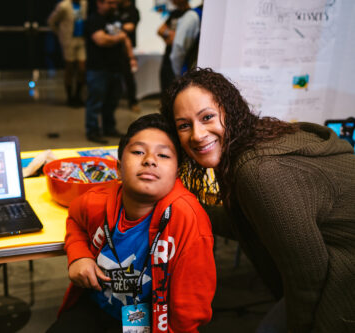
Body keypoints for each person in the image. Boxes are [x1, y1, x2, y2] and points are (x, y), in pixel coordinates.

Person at [160, 67, 355, 333]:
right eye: (184, 125)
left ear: (230, 110)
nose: (197, 134)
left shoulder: (258, 171)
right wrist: (186, 206)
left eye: (207, 117)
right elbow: (249, 219)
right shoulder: (257, 136)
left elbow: (308, 275)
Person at [47, 113, 216, 332]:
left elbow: (190, 310)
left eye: (163, 155)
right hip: (95, 309)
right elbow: (75, 220)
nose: (149, 160)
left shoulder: (188, 220)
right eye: (138, 152)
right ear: (118, 168)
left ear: (177, 173)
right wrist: (79, 254)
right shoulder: (97, 201)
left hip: (156, 325)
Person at [84, 0, 137, 144]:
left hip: (116, 68)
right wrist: (119, 37)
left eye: (114, 3)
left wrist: (131, 57)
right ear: (99, 3)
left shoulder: (115, 19)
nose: (114, 6)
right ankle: (93, 131)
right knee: (95, 102)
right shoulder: (94, 20)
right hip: (98, 69)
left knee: (112, 101)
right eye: (110, 3)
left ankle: (109, 128)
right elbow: (101, 40)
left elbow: (125, 40)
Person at [48, 0, 88, 107]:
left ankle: (78, 95)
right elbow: (52, 21)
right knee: (69, 68)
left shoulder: (84, 3)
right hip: (69, 41)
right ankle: (70, 97)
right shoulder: (64, 6)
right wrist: (60, 34)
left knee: (82, 69)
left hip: (81, 39)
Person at [157, 0, 188, 93]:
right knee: (165, 82)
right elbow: (160, 30)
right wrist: (169, 34)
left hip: (181, 57)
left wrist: (173, 36)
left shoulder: (190, 14)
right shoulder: (175, 13)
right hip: (169, 54)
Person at [118, 0, 141, 112]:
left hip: (127, 49)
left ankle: (133, 102)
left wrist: (115, 27)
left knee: (129, 77)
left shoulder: (133, 11)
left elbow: (130, 27)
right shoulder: (116, 9)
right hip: (114, 47)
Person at [170, 2, 203, 77]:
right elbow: (179, 49)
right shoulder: (194, 16)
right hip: (191, 75)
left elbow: (178, 48)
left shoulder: (194, 16)